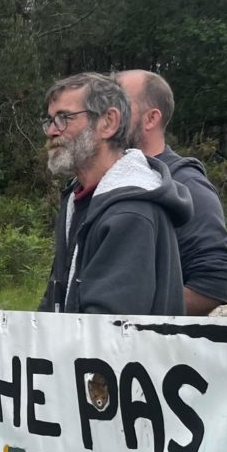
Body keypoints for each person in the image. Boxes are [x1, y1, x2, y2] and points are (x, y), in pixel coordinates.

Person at [36, 72, 192, 316]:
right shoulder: (77, 200)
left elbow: (109, 332)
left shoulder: (131, 212)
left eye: (64, 118)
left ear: (108, 122)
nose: (52, 131)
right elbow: (57, 296)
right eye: (50, 120)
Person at [115, 70, 227, 315]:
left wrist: (131, 320)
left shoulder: (185, 183)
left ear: (151, 119)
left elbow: (212, 284)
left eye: (119, 105)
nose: (108, 115)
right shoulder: (104, 181)